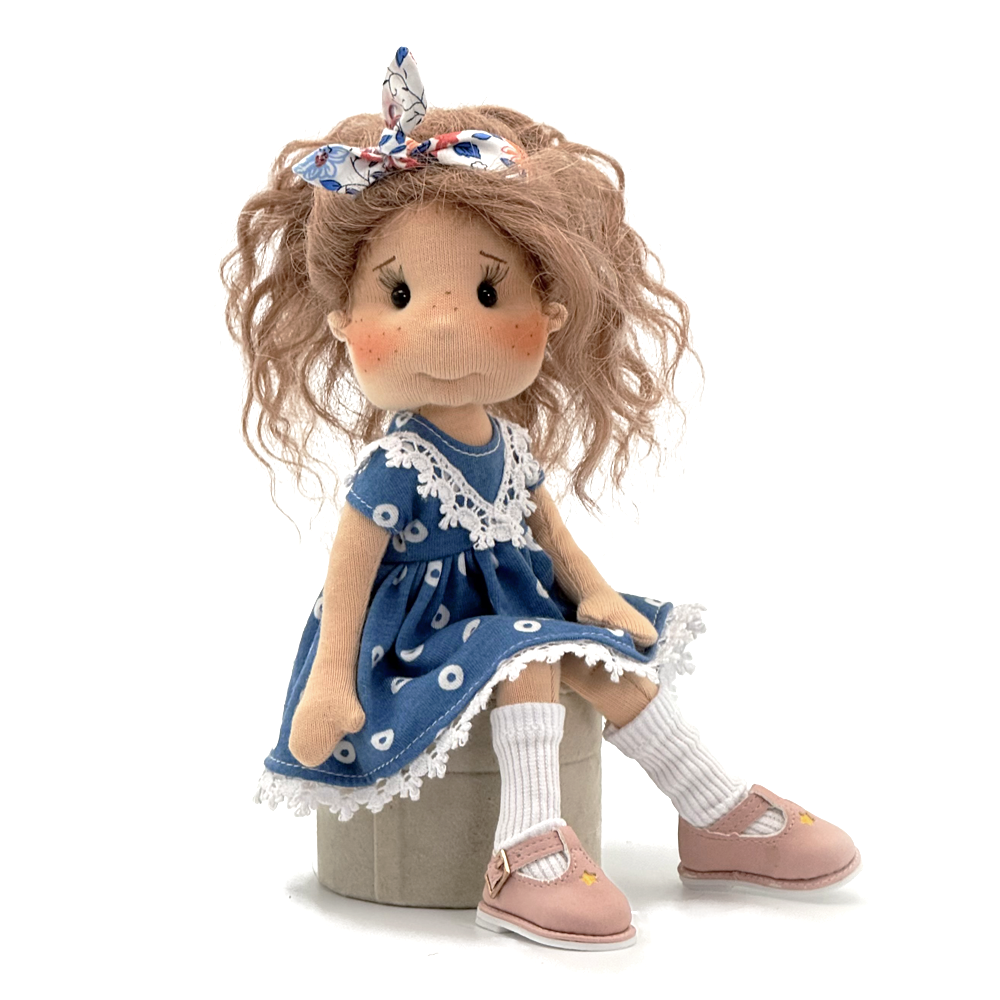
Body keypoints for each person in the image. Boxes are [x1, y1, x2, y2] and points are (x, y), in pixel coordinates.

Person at [223, 47, 860, 952]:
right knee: (526, 651)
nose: (446, 323)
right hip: (408, 648)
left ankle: (713, 809)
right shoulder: (396, 466)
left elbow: (552, 538)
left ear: (549, 316)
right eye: (399, 294)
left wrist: (593, 592)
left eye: (490, 292)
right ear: (345, 324)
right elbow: (349, 575)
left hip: (514, 617)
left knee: (598, 656)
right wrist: (330, 683)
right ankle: (525, 852)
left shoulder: (511, 448)